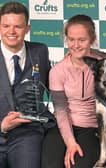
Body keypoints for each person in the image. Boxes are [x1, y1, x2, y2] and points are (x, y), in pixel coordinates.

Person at [0, 2, 55, 168]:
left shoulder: (40, 51)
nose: (11, 31)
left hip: (27, 134)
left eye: (18, 26)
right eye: (6, 26)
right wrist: (2, 125)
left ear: (27, 28)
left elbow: (53, 86)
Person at [42, 14, 101, 168]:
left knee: (80, 164)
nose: (76, 45)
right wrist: (70, 142)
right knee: (51, 163)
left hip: (91, 128)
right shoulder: (57, 71)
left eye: (82, 40)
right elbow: (61, 111)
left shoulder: (105, 64)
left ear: (92, 39)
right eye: (71, 39)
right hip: (64, 125)